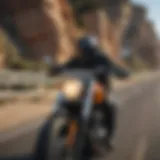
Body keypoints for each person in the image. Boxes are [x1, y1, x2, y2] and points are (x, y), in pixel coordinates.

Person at [50, 35, 130, 150]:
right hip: (80, 93)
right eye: (83, 49)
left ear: (93, 48)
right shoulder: (76, 60)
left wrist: (120, 72)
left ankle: (110, 137)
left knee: (111, 106)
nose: (85, 51)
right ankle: (57, 131)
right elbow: (66, 66)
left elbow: (113, 67)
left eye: (87, 49)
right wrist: (57, 69)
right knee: (65, 99)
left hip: (99, 92)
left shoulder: (101, 59)